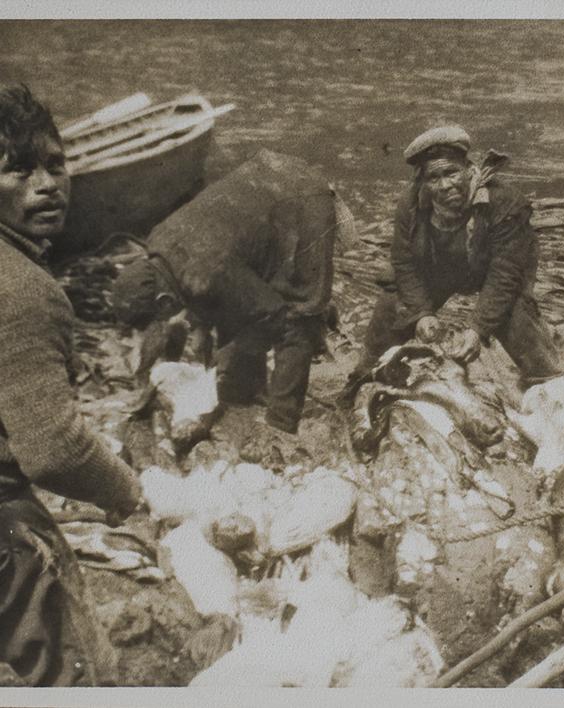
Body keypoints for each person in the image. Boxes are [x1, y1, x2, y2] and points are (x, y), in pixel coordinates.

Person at [0, 84, 142, 685]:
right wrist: (125, 493)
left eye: (56, 165)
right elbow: (55, 450)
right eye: (18, 169)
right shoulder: (24, 290)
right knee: (79, 675)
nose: (47, 183)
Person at [111, 149, 338, 435]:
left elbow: (273, 314)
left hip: (302, 199)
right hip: (264, 175)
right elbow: (220, 303)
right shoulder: (159, 239)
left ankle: (281, 425)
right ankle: (248, 386)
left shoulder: (206, 276)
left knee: (296, 321)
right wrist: (148, 376)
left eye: (160, 316)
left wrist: (232, 352)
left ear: (164, 301)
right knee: (241, 305)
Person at [344, 125, 562, 393]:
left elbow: (504, 274)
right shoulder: (410, 205)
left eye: (451, 172)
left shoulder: (504, 202)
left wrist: (477, 330)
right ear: (422, 181)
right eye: (434, 177)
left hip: (491, 267)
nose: (445, 185)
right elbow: (404, 263)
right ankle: (364, 379)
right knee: (393, 305)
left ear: (468, 168)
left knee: (516, 312)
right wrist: (422, 313)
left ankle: (546, 381)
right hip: (439, 266)